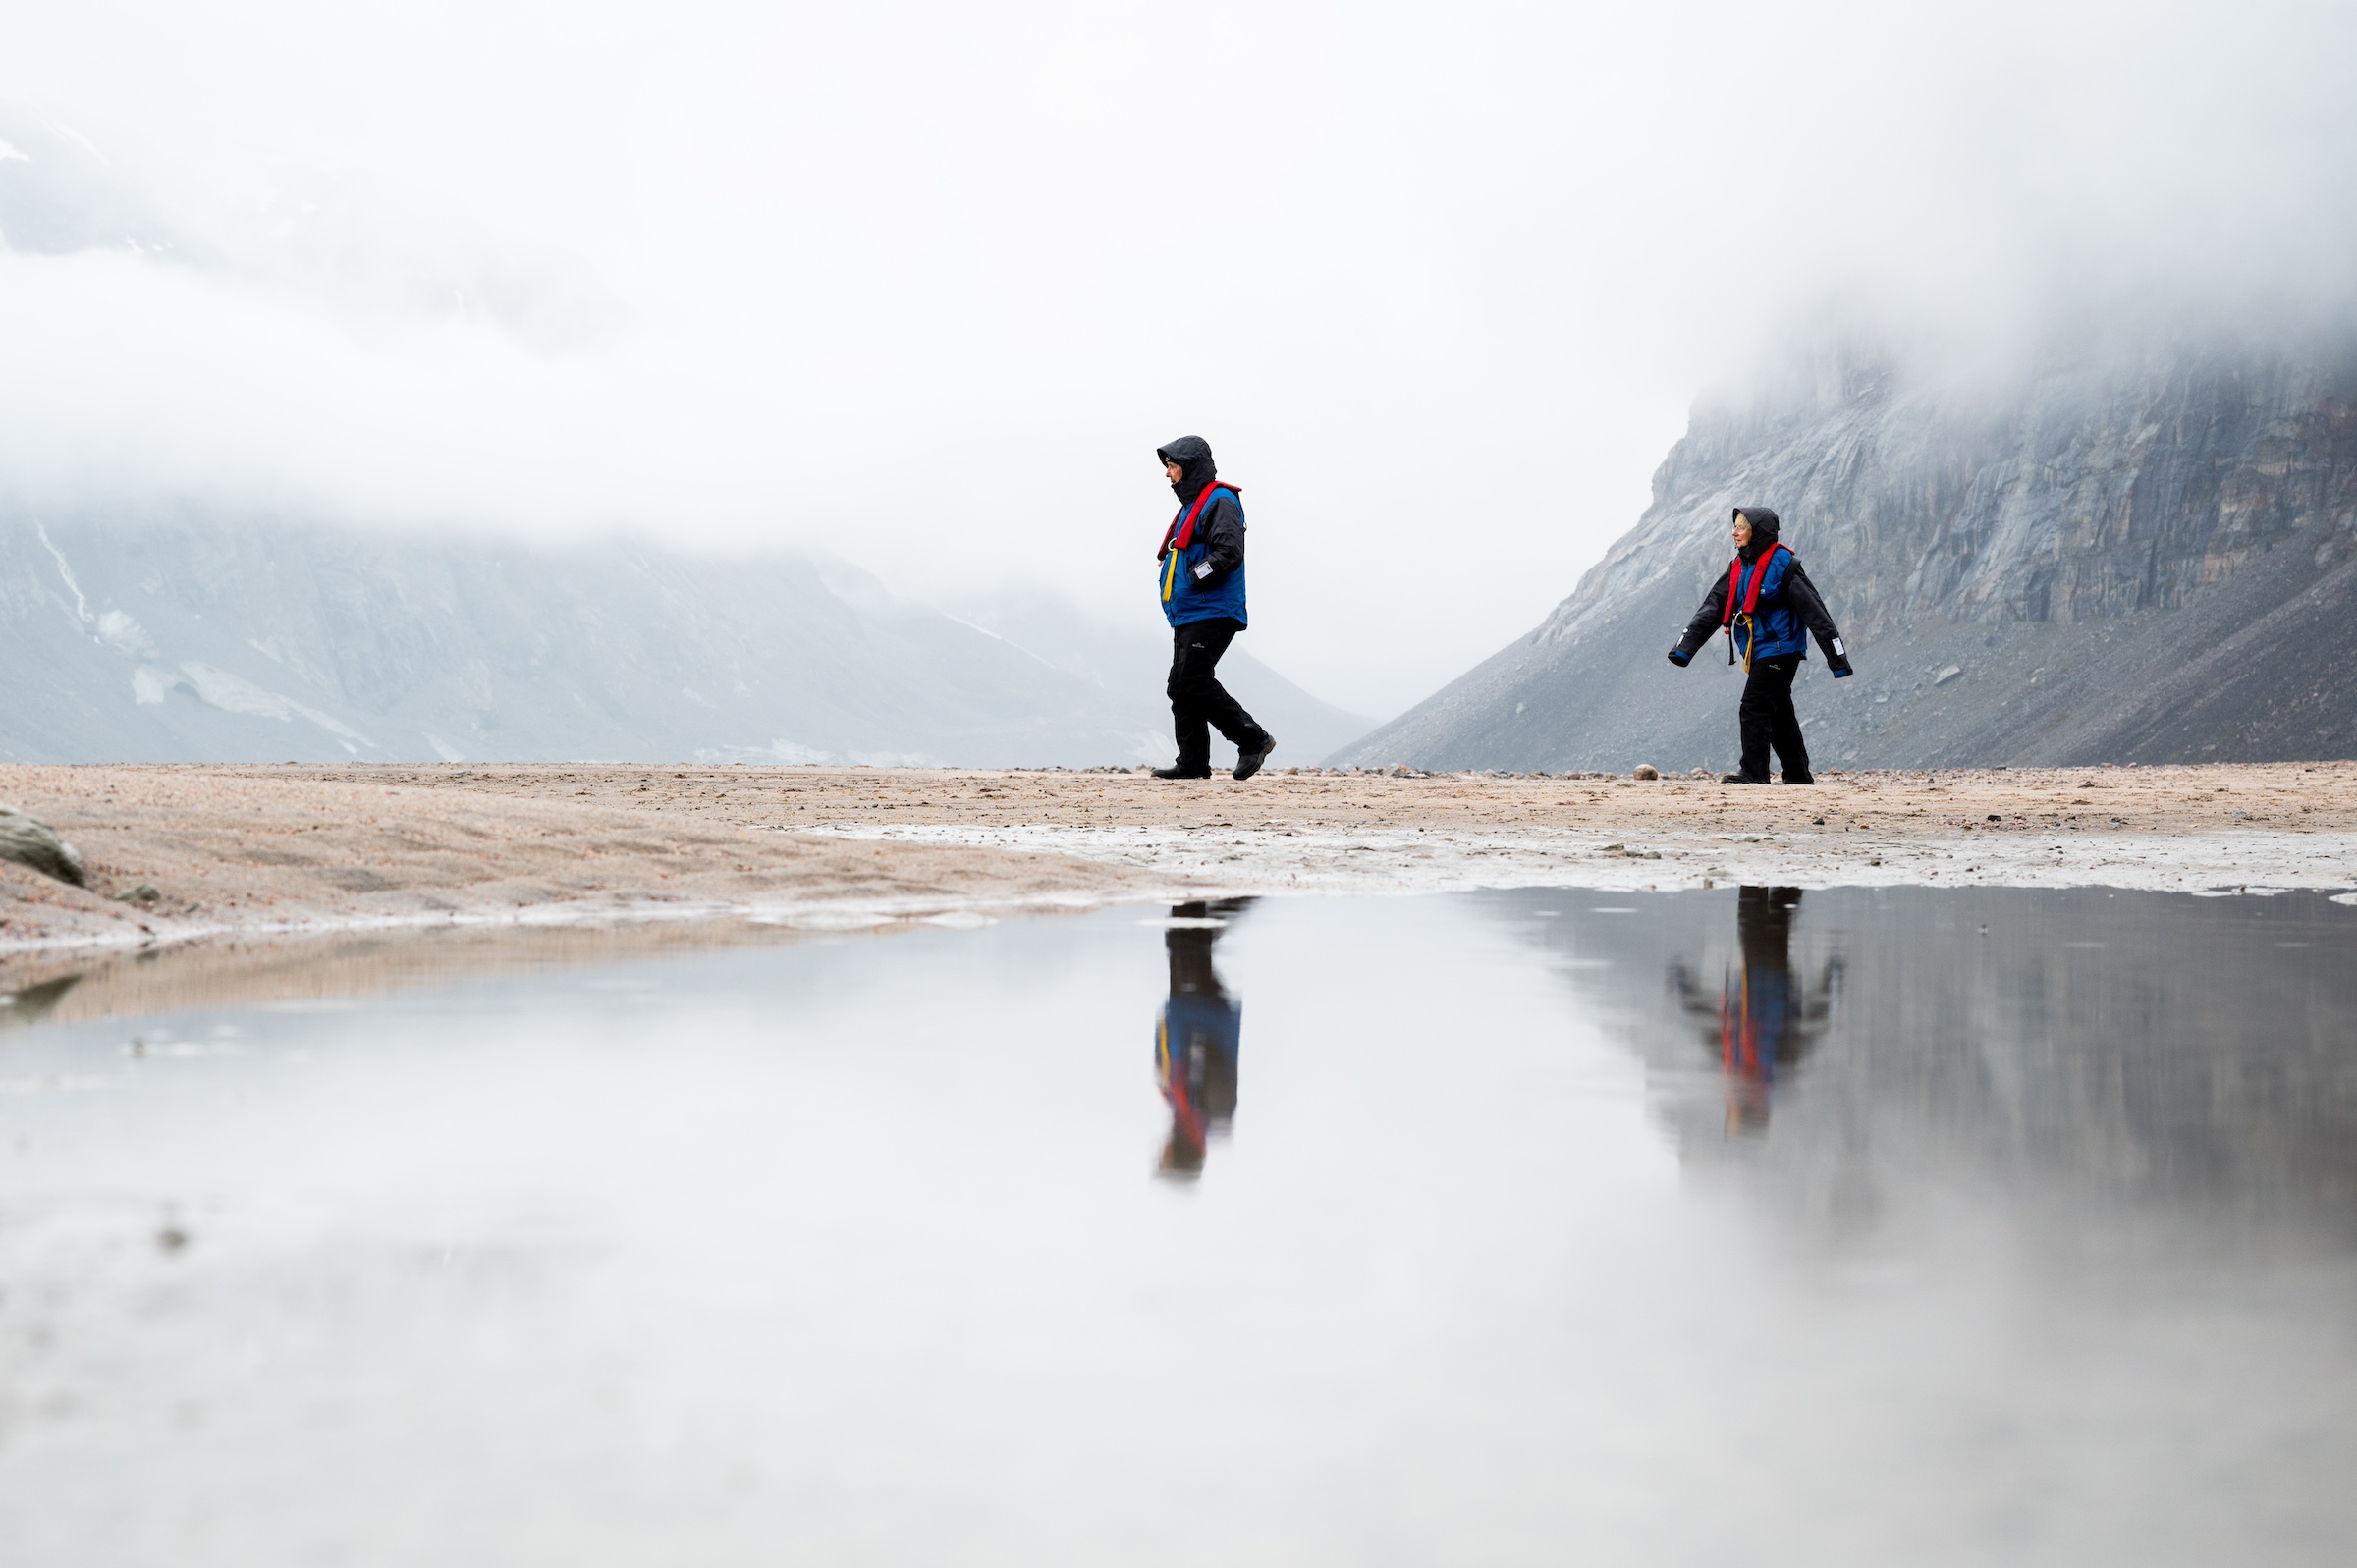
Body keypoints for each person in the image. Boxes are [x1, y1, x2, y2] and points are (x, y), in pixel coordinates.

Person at [1667, 506, 1852, 784]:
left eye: (1741, 527)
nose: (1734, 532)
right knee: (1779, 711)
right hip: (1758, 650)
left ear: (1758, 532)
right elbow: (1713, 606)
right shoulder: (1739, 566)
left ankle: (1754, 772)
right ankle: (1798, 775)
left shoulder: (1784, 565)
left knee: (1754, 704)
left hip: (1782, 649)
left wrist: (1837, 658)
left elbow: (1815, 612)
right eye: (1735, 527)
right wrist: (1684, 649)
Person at [1151, 436, 1277, 782]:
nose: (1167, 474)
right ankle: (1192, 763)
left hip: (1212, 609)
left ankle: (1253, 739)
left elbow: (1229, 552)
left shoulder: (1219, 501)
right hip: (1191, 612)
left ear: (1189, 467)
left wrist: (1196, 577)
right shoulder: (1193, 504)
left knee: (1192, 681)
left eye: (1172, 466)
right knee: (1180, 685)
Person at [1153, 898, 1251, 1179]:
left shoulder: (1188, 1118)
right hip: (1196, 1007)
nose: (1160, 1150)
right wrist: (1192, 1018)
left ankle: (1234, 896)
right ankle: (1244, 895)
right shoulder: (1207, 1114)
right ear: (1179, 1155)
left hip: (1188, 1008)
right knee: (1185, 937)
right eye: (1164, 1158)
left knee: (1184, 935)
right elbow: (1211, 1052)